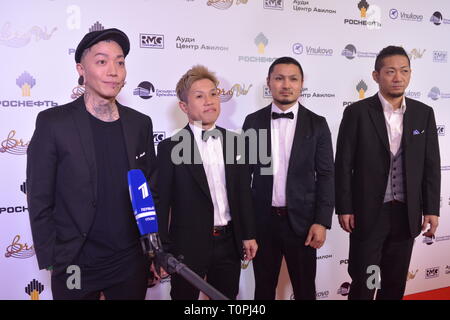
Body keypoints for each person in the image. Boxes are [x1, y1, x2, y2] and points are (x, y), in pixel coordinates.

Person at [26, 28, 157, 300]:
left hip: (130, 260)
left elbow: (149, 189)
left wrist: (154, 250)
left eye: (120, 62)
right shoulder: (53, 123)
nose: (113, 71)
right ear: (81, 69)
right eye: (102, 61)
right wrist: (53, 257)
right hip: (75, 262)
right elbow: (39, 196)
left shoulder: (140, 124)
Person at [335, 45, 441, 300]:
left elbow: (430, 166)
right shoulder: (357, 113)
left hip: (406, 213)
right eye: (390, 71)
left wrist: (432, 210)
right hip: (369, 213)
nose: (398, 77)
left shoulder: (423, 113)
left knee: (393, 282)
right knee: (366, 280)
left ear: (410, 74)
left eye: (404, 71)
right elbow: (343, 164)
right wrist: (345, 207)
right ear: (376, 76)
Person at [156, 65, 258, 300]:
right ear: (184, 106)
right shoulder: (170, 148)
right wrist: (160, 251)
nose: (209, 101)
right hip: (186, 245)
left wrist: (248, 234)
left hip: (228, 242)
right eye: (199, 96)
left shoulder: (236, 143)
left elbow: (243, 193)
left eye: (213, 94)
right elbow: (161, 203)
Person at [242, 56, 334, 300]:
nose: (286, 84)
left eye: (293, 79)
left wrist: (322, 221)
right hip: (263, 223)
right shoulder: (252, 122)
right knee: (263, 289)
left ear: (302, 83)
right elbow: (243, 176)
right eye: (279, 78)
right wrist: (247, 227)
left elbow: (326, 176)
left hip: (303, 224)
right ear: (269, 82)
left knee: (305, 291)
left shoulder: (317, 124)